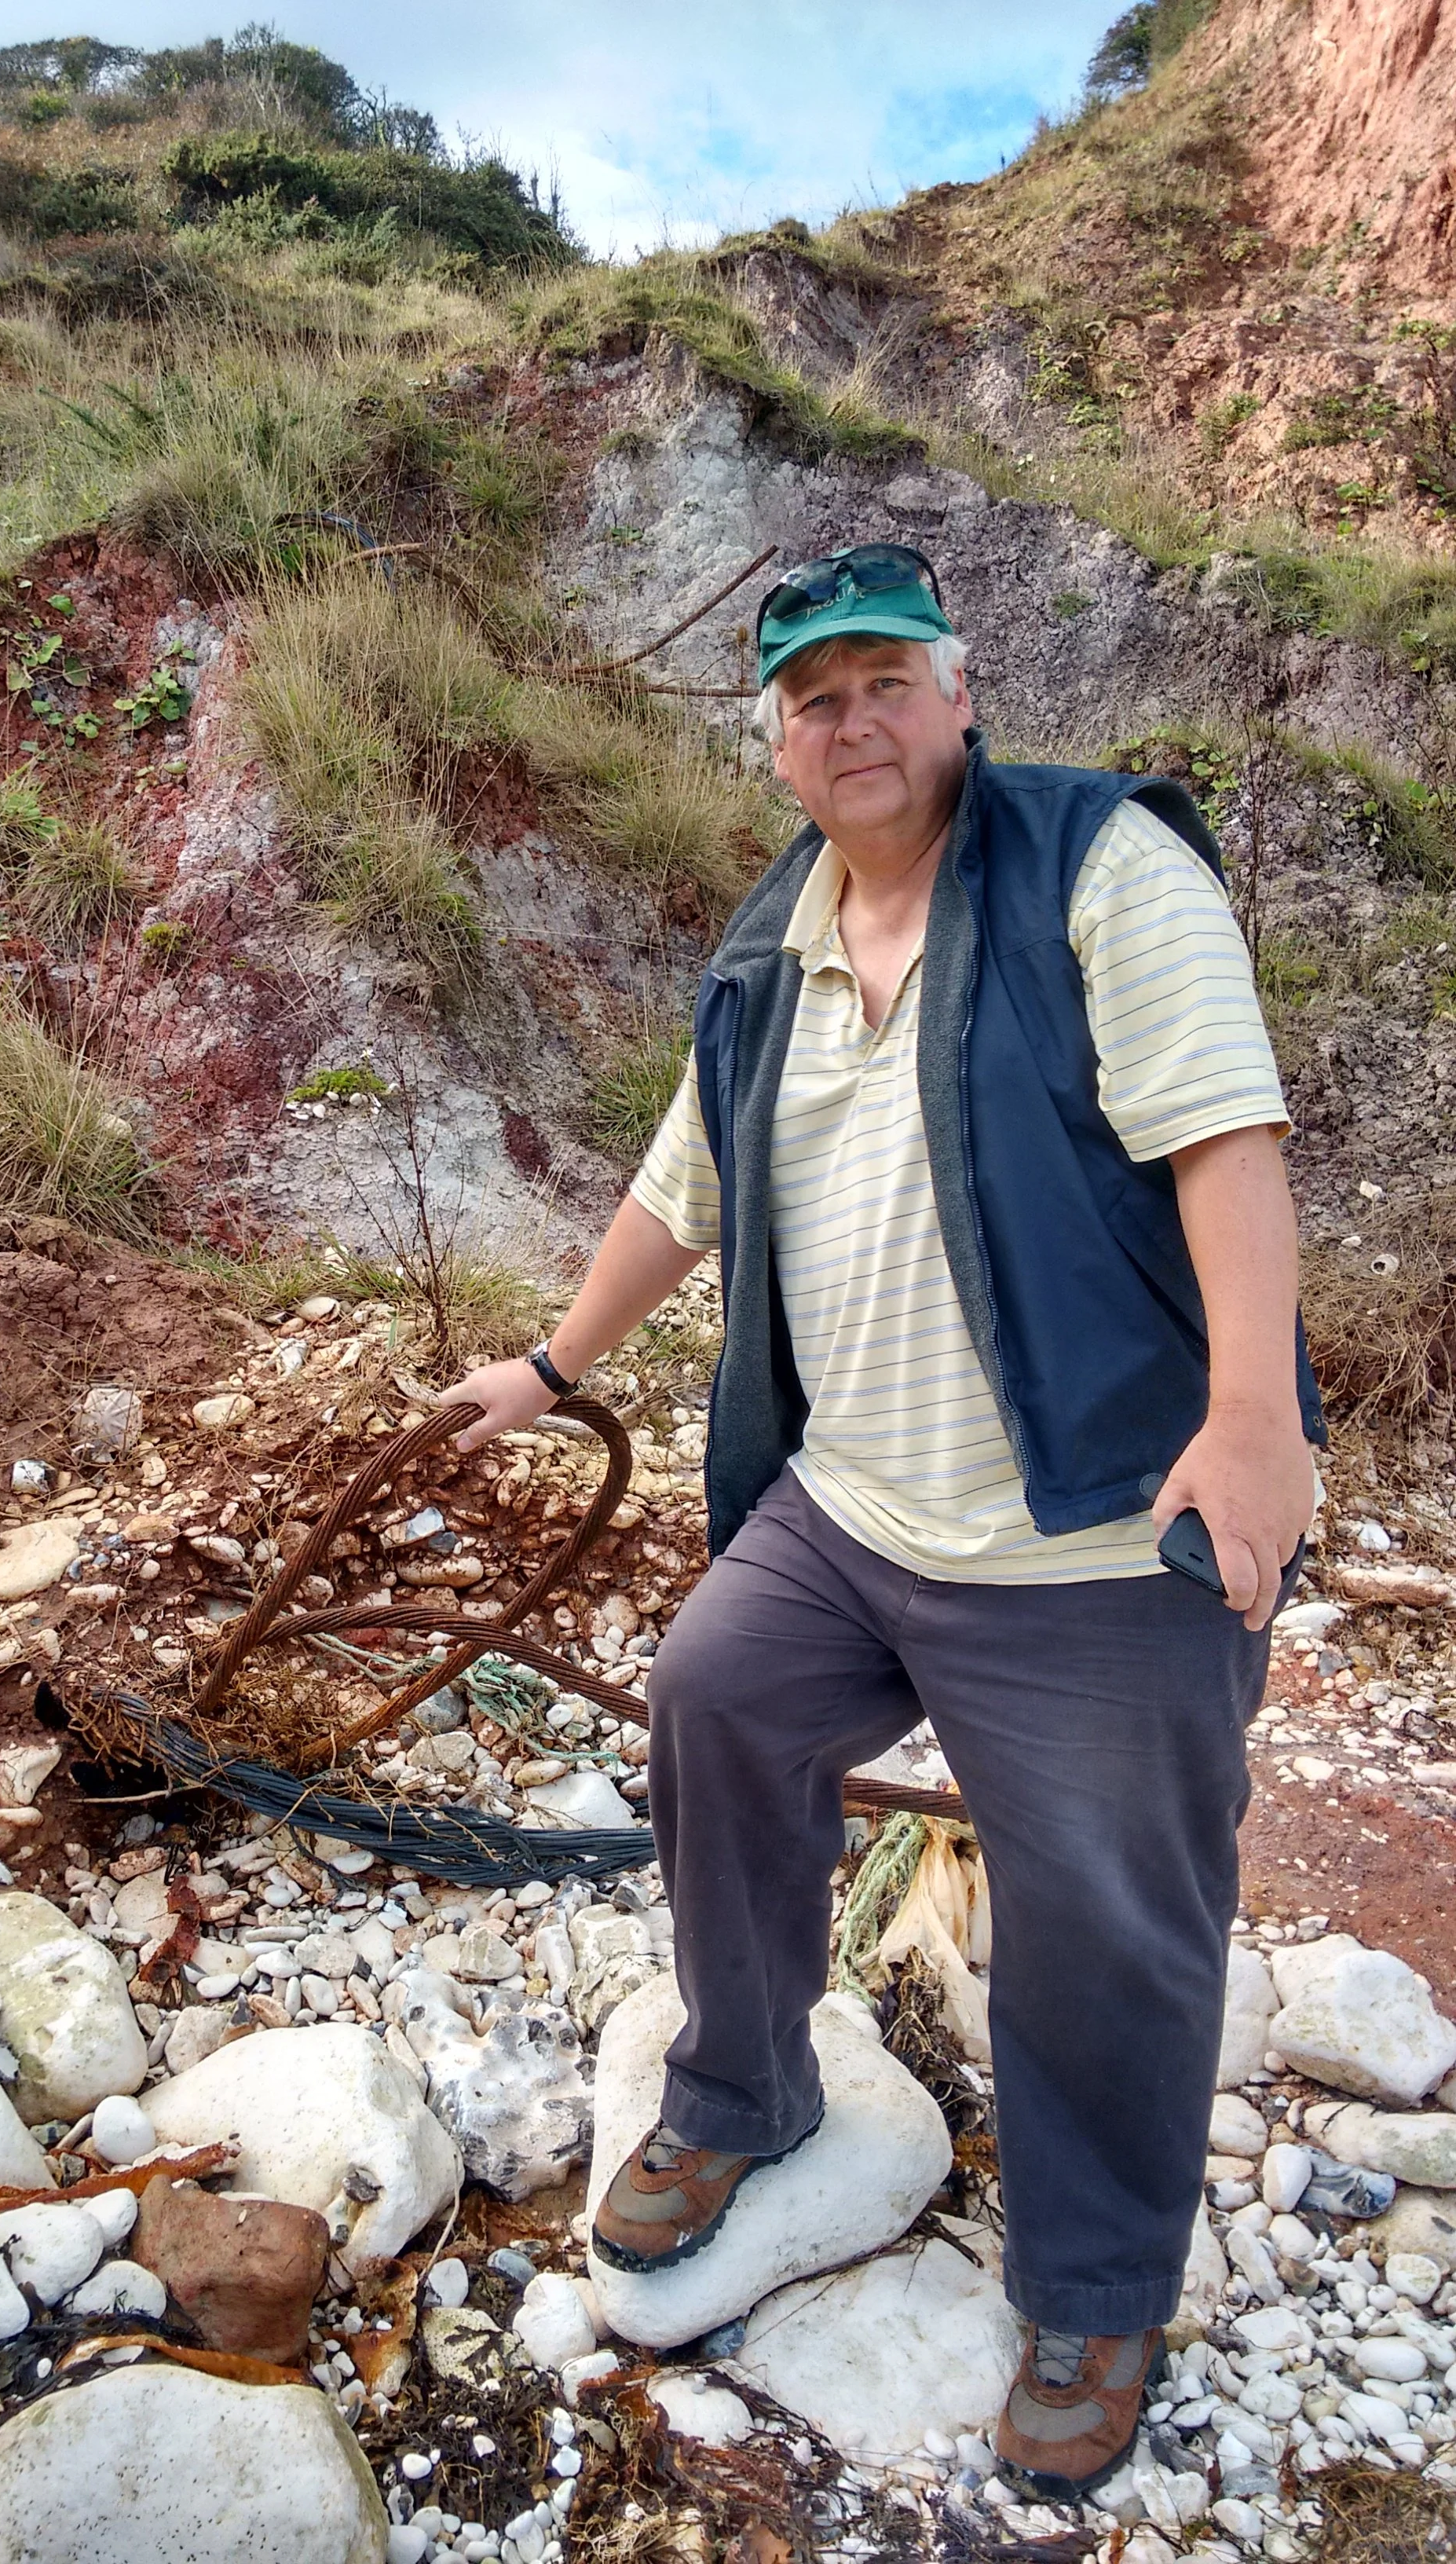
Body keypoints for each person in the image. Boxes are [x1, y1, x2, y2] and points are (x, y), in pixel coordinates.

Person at [450, 541, 1320, 2500]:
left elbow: (1226, 1137)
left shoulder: (1100, 865)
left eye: (884, 683)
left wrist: (1255, 1420)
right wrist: (555, 1366)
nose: (853, 724)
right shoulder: (768, 949)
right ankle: (747, 2089)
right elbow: (679, 1190)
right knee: (715, 1702)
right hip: (852, 1510)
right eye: (813, 699)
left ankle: (1096, 2289)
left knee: (1105, 1922)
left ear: (956, 693)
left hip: (1094, 1533)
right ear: (778, 743)